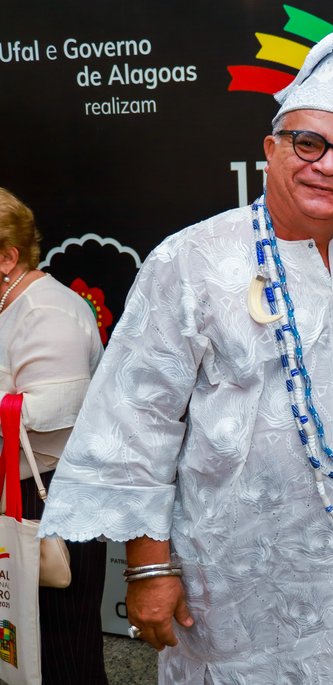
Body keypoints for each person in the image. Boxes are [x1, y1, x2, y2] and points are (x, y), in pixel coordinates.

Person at [38, 29, 333, 684]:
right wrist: (150, 568)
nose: (328, 165)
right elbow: (137, 423)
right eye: (309, 143)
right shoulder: (192, 260)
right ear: (270, 149)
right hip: (231, 579)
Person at [0, 187, 107, 683]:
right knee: (19, 653)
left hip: (48, 500)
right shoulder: (12, 304)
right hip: (18, 497)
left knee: (61, 657)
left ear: (6, 256)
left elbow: (48, 416)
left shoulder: (49, 314)